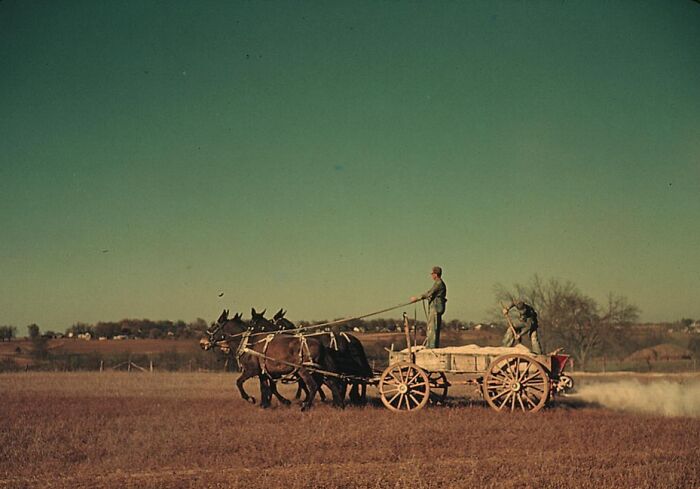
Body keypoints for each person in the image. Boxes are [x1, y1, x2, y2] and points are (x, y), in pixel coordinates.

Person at [410, 266, 447, 348]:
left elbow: (429, 293)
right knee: (433, 327)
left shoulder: (438, 283)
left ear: (436, 274)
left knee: (432, 327)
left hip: (436, 307)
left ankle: (432, 346)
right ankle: (432, 345)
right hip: (436, 307)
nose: (431, 276)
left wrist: (417, 298)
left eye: (432, 274)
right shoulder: (439, 283)